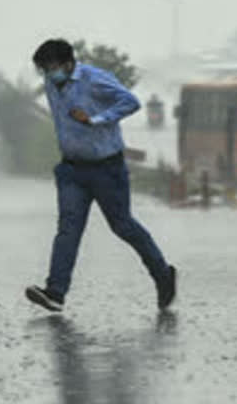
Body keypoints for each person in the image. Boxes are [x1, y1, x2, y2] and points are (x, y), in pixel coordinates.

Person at [25, 39, 176, 313]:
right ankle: (56, 292)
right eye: (44, 69)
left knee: (123, 226)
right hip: (71, 169)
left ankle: (163, 275)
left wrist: (96, 119)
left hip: (106, 167)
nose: (49, 74)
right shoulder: (51, 84)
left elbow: (131, 102)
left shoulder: (95, 79)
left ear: (69, 63)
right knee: (68, 229)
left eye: (53, 67)